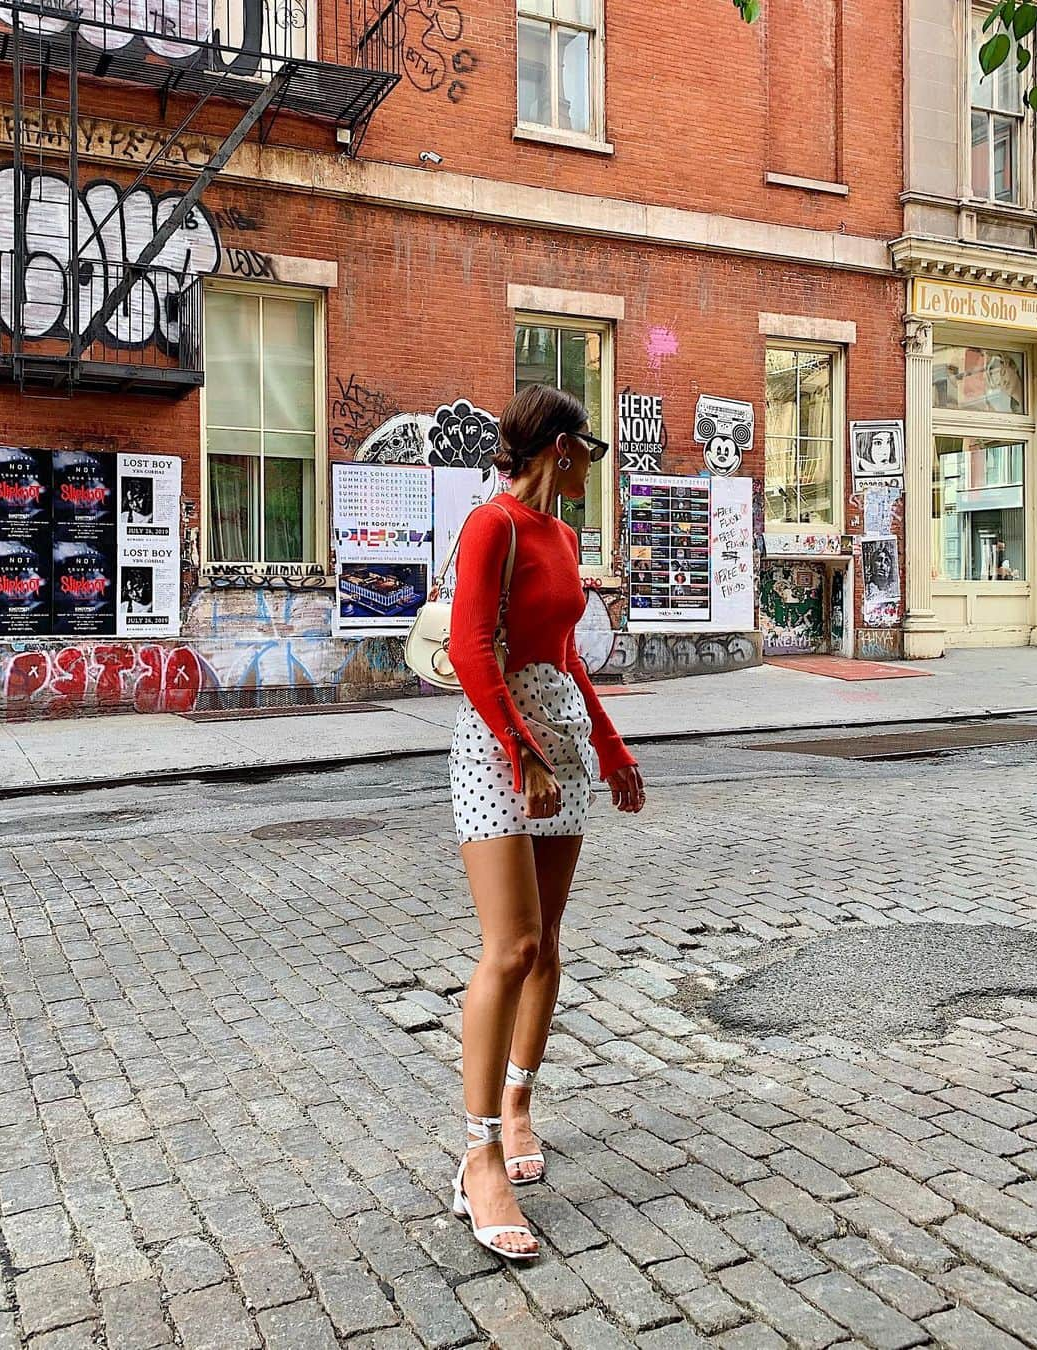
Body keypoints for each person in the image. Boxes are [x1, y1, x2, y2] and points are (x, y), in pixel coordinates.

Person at [447, 385, 645, 1261]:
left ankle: (521, 1102)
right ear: (559, 446)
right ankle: (478, 1152)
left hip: (558, 729)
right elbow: (466, 648)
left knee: (550, 940)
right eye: (587, 452)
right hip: (498, 737)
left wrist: (611, 747)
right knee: (512, 945)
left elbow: (566, 655)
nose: (592, 468)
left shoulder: (564, 537)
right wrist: (518, 747)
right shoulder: (494, 525)